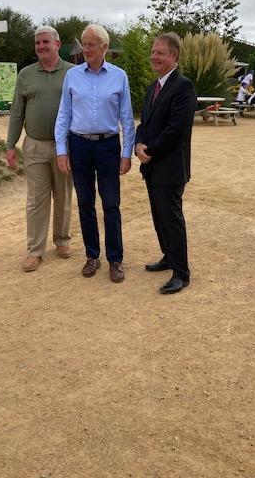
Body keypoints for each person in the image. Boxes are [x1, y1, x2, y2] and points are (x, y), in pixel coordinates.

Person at [55, 24, 135, 283]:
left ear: (105, 48)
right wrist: (61, 151)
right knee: (85, 203)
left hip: (108, 146)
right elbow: (64, 115)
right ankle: (92, 255)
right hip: (79, 146)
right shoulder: (73, 76)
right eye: (84, 44)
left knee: (111, 203)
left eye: (91, 45)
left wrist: (126, 153)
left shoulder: (119, 76)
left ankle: (115, 259)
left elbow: (126, 117)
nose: (86, 49)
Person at [6, 26, 73, 273]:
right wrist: (10, 144)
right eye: (37, 43)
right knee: (36, 200)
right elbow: (16, 112)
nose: (41, 46)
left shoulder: (73, 73)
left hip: (65, 146)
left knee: (64, 196)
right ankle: (35, 250)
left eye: (46, 42)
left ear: (57, 44)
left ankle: (63, 240)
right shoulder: (25, 75)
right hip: (34, 145)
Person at [135, 32, 196, 295]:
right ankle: (168, 256)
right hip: (152, 165)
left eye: (160, 52)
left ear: (174, 56)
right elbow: (144, 123)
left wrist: (150, 149)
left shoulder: (183, 87)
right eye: (153, 51)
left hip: (169, 167)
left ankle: (181, 272)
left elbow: (176, 130)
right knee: (158, 216)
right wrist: (138, 144)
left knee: (171, 218)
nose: (154, 56)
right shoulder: (154, 87)